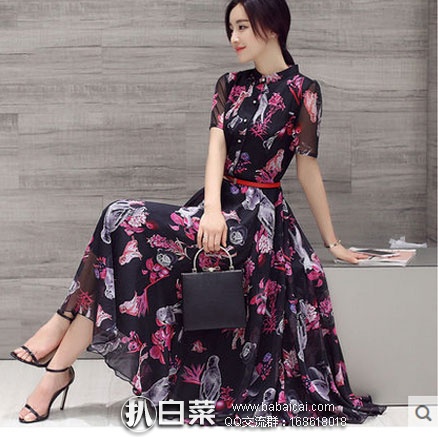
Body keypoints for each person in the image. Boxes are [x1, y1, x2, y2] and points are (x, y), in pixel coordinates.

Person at [11, 0, 386, 425]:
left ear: (272, 27)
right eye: (231, 28)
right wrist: (211, 209)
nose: (234, 38)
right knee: (116, 225)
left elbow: (307, 168)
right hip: (215, 207)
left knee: (117, 222)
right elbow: (216, 149)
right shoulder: (230, 83)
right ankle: (57, 366)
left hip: (257, 223)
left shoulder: (304, 90)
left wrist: (332, 242)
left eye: (242, 27)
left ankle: (57, 351)